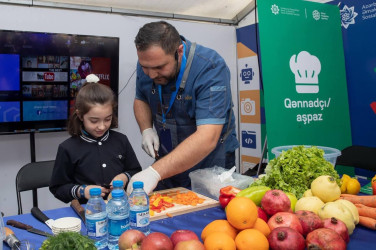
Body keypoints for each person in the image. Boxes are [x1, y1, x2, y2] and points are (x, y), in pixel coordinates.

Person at [128, 21, 239, 194]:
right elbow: (141, 97)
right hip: (169, 159)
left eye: (159, 67)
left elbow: (208, 137)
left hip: (209, 163)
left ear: (179, 51)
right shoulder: (149, 62)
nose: (150, 74)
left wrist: (154, 172)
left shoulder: (210, 67)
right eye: (145, 67)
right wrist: (146, 129)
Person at [50, 74, 142, 203]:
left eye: (108, 119)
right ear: (80, 116)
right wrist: (82, 191)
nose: (102, 126)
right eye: (94, 121)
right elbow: (58, 188)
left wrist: (125, 177)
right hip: (88, 212)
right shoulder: (68, 148)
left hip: (121, 206)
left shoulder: (121, 140)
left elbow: (135, 170)